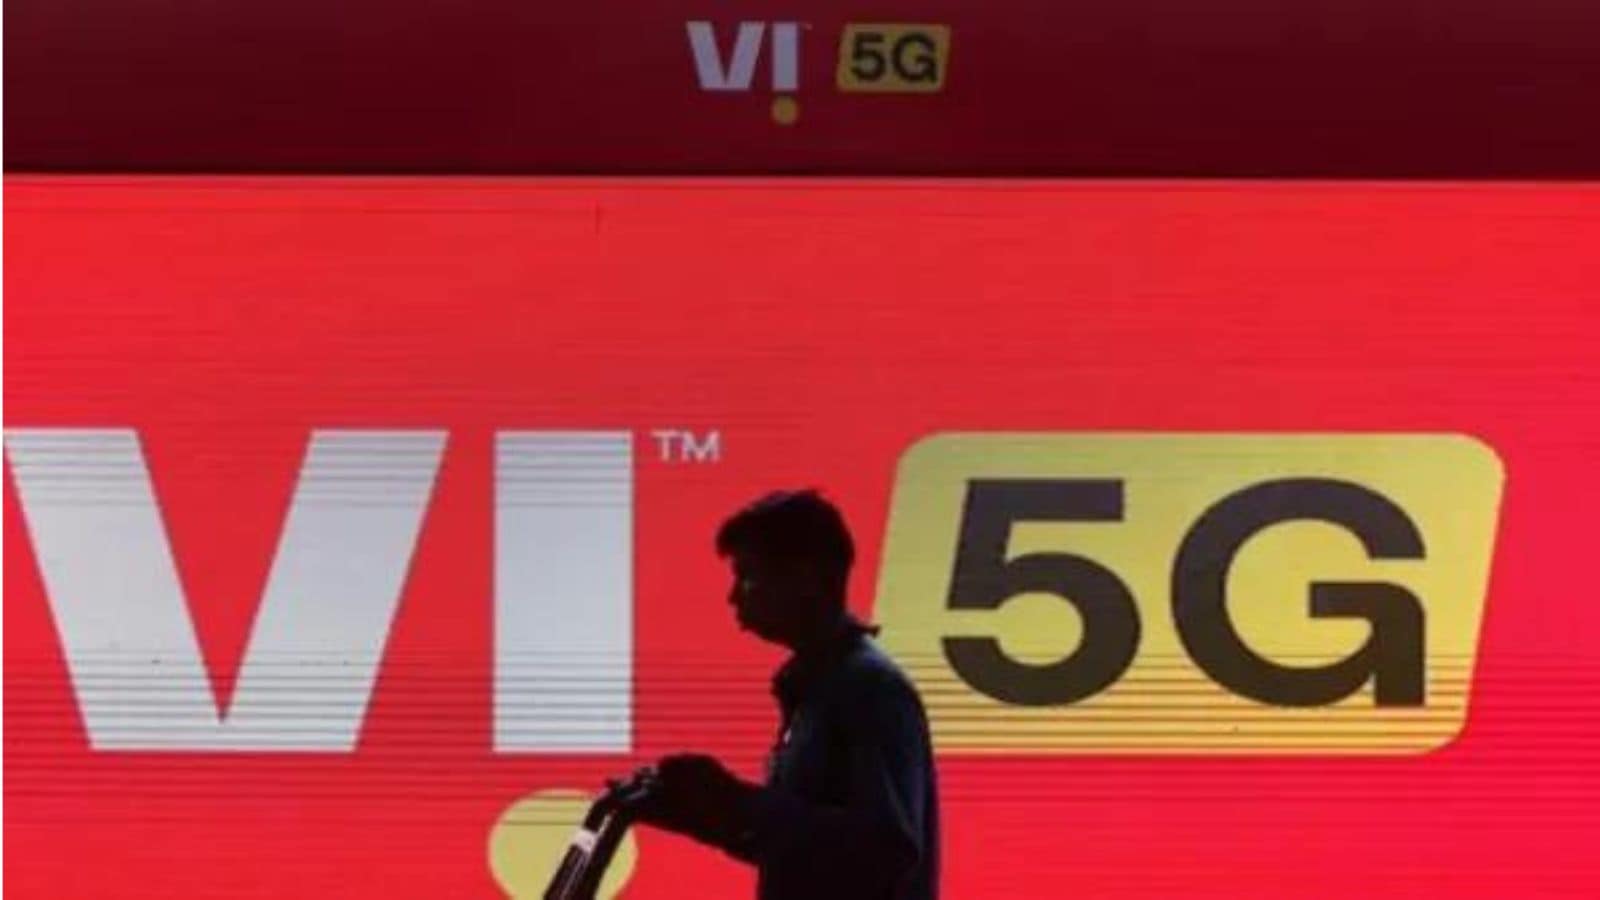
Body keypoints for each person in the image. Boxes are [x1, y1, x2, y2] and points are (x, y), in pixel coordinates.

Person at [634, 489, 940, 900]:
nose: (734, 596)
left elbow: (886, 849)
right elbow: (807, 853)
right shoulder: (821, 687)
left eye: (748, 576)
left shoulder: (869, 689)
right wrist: (706, 814)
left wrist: (736, 804)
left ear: (805, 578)